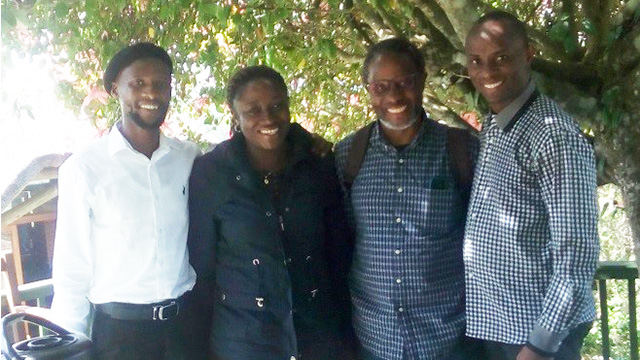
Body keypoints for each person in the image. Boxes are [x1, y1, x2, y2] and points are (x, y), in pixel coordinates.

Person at [187, 65, 355, 360]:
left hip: (317, 337)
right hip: (245, 342)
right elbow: (202, 268)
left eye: (277, 106)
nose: (268, 117)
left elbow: (338, 257)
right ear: (236, 117)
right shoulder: (211, 173)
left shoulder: (317, 166)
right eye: (253, 110)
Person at [463, 11, 599, 360]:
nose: (487, 72)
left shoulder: (553, 135)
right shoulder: (496, 123)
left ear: (528, 54)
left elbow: (576, 254)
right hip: (499, 326)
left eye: (501, 58)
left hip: (536, 336)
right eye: (477, 61)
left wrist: (540, 344)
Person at [51, 43, 200, 359]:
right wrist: (69, 349)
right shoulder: (84, 169)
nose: (152, 93)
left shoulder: (189, 159)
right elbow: (71, 270)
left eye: (160, 84)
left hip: (186, 330)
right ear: (116, 88)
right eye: (138, 83)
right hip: (120, 337)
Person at [334, 37, 479, 360]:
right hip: (375, 340)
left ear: (423, 80)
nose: (395, 96)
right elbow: (343, 235)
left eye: (404, 82)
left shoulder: (462, 150)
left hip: (449, 341)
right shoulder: (347, 155)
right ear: (369, 90)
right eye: (382, 87)